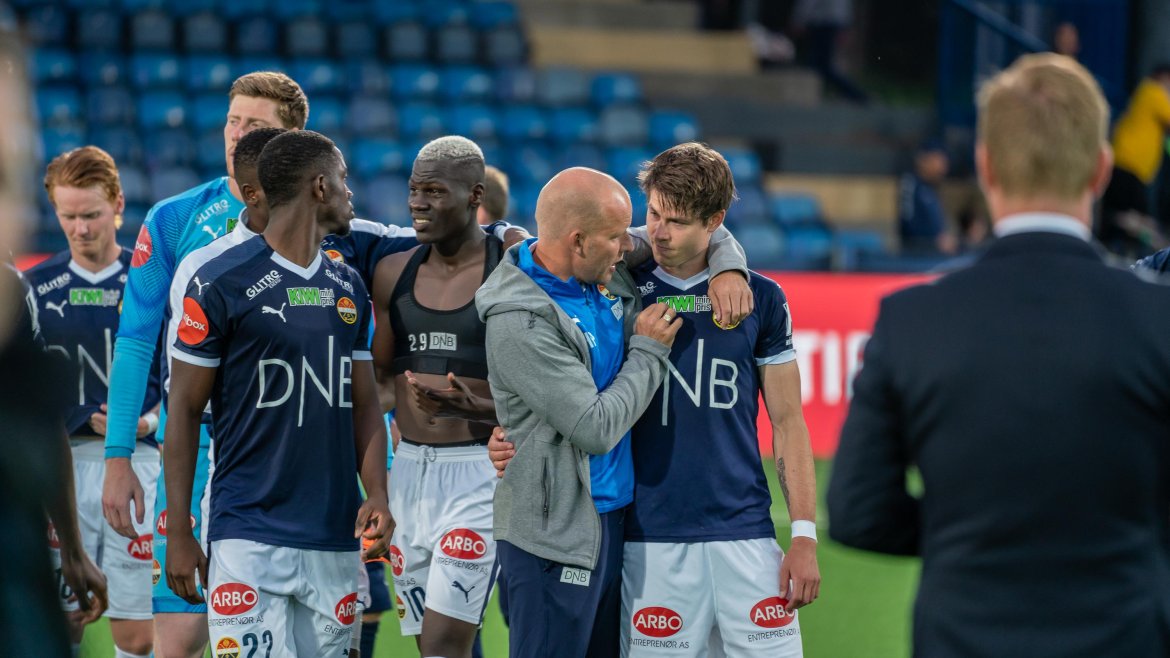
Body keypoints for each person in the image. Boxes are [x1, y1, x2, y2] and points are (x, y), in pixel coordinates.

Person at [827, 53, 1170, 657]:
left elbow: (857, 511)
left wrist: (965, 530)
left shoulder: (913, 320)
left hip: (964, 637)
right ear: (1100, 168)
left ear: (985, 166)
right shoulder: (1155, 316)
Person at [102, 70, 308, 657]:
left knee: (291, 633)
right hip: (191, 446)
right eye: (232, 121)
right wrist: (118, 456)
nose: (238, 135)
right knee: (180, 635)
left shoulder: (321, 222)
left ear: (292, 139)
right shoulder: (174, 218)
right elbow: (136, 340)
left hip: (286, 450)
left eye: (256, 125)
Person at [164, 130, 391, 655]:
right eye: (343, 180)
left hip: (334, 535)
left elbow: (364, 406)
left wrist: (377, 492)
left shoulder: (349, 287)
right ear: (319, 186)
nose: (350, 193)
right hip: (247, 532)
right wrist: (179, 530)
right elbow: (184, 410)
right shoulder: (218, 283)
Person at [476, 167, 685, 658]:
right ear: (577, 241)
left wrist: (732, 267)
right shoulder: (521, 320)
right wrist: (649, 351)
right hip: (552, 537)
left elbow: (698, 230)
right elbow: (595, 427)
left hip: (612, 521)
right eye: (616, 237)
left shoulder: (599, 267)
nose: (628, 247)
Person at [621, 143, 818, 656]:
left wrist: (803, 536)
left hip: (747, 539)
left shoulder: (762, 298)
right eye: (653, 214)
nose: (659, 232)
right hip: (649, 540)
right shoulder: (617, 288)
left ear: (715, 221)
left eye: (677, 221)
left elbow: (789, 421)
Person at [25, 146, 161, 657]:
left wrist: (149, 421)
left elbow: (180, 377)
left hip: (137, 465)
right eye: (68, 217)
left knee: (138, 634)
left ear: (118, 204)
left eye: (92, 215)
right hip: (58, 468)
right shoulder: (33, 288)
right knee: (62, 623)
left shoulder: (150, 283)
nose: (80, 229)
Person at [1097, 64, 1170, 256]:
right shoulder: (1153, 91)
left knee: (1124, 216)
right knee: (1132, 217)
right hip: (1129, 164)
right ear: (1162, 78)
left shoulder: (1146, 94)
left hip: (1128, 164)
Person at [898, 141, 956, 254]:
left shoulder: (934, 188)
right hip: (916, 254)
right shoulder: (910, 183)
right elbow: (908, 223)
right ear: (923, 160)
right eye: (938, 160)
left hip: (936, 254)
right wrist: (935, 241)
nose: (942, 167)